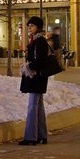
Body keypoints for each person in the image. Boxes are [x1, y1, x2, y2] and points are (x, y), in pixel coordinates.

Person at [19, 16, 49, 146]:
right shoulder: (36, 40)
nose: (29, 28)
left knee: (32, 107)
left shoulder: (39, 41)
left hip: (36, 77)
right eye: (29, 26)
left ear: (38, 27)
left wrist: (28, 67)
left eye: (31, 26)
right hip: (38, 77)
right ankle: (41, 135)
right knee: (38, 107)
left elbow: (40, 60)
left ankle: (31, 137)